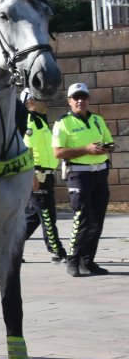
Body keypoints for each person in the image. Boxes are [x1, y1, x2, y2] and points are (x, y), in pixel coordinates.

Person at [52, 82, 113, 277]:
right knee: (82, 217)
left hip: (100, 173)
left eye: (84, 97)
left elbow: (109, 141)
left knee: (97, 219)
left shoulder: (97, 119)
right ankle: (73, 259)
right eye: (76, 97)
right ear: (69, 101)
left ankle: (88, 261)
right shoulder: (63, 122)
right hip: (78, 175)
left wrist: (106, 147)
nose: (81, 101)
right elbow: (58, 152)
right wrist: (85, 149)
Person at [19, 88, 67, 263]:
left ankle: (12, 247)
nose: (46, 102)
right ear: (31, 102)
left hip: (47, 174)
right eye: (42, 100)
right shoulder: (30, 121)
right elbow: (27, 149)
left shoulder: (41, 120)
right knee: (47, 215)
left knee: (32, 217)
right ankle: (57, 252)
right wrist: (32, 174)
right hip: (38, 174)